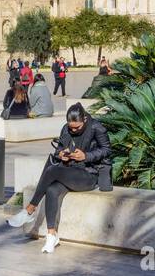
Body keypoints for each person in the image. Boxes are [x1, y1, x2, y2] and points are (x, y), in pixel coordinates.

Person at [7, 103, 112, 253]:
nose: (73, 130)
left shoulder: (97, 128)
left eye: (77, 127)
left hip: (89, 175)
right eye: (71, 127)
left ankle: (29, 210)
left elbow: (107, 150)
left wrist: (86, 155)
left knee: (51, 171)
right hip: (69, 171)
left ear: (85, 120)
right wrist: (62, 154)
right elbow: (58, 150)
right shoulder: (66, 128)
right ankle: (52, 236)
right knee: (51, 189)